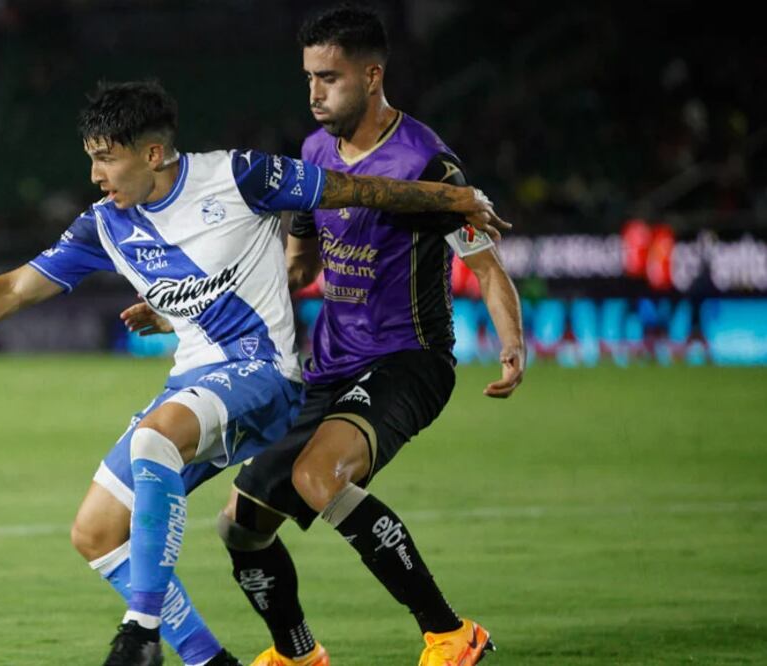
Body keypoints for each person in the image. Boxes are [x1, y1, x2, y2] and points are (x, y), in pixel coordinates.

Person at [0, 80, 508, 666]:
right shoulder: (104, 225)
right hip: (193, 380)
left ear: (152, 153)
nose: (97, 174)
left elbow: (356, 189)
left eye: (107, 158)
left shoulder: (241, 177)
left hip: (264, 373)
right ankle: (207, 662)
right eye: (92, 159)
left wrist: (454, 198)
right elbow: (16, 288)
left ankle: (142, 628)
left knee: (155, 437)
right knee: (96, 532)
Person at [123, 6, 526, 664]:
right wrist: (182, 306)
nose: (313, 91)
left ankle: (452, 634)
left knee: (319, 475)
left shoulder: (427, 160)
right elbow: (297, 267)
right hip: (328, 368)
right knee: (240, 526)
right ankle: (297, 654)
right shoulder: (313, 157)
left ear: (372, 76)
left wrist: (511, 345)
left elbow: (485, 264)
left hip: (408, 362)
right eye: (308, 76)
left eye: (328, 78)